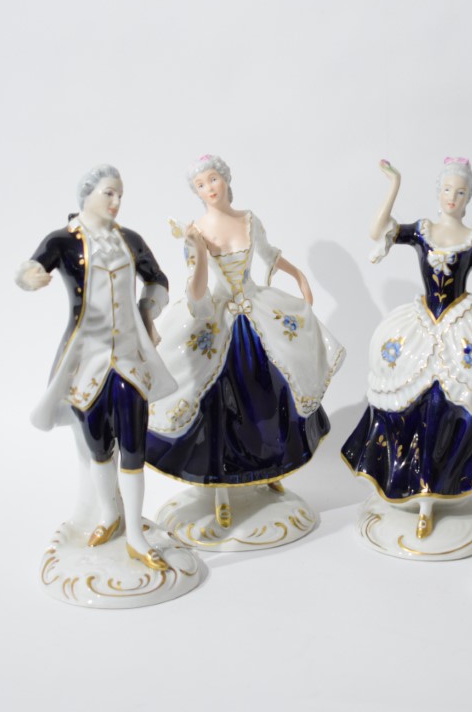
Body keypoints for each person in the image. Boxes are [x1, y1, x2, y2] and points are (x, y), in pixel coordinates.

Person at [146, 154, 344, 526]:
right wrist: (198, 249)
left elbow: (269, 255)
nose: (209, 188)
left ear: (225, 179)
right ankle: (220, 486)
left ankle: (269, 469)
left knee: (270, 392)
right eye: (201, 184)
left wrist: (299, 276)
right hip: (219, 318)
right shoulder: (196, 232)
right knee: (217, 401)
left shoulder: (249, 220)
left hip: (257, 311)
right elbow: (197, 295)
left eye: (213, 179)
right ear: (195, 192)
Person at [341, 158, 472, 538]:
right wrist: (394, 185)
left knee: (459, 394)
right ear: (438, 192)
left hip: (461, 320)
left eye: (460, 192)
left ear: (469, 197)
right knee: (401, 385)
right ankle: (407, 483)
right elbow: (378, 230)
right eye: (447, 190)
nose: (452, 198)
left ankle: (442, 487)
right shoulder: (423, 231)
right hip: (422, 319)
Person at [16, 164, 177, 570]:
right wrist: (30, 277)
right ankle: (110, 515)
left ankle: (136, 534)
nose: (116, 201)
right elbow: (33, 268)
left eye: (120, 194)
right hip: (86, 363)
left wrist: (148, 310)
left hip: (129, 361)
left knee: (133, 446)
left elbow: (157, 279)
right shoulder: (63, 241)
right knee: (98, 447)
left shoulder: (130, 240)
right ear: (87, 194)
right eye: (109, 193)